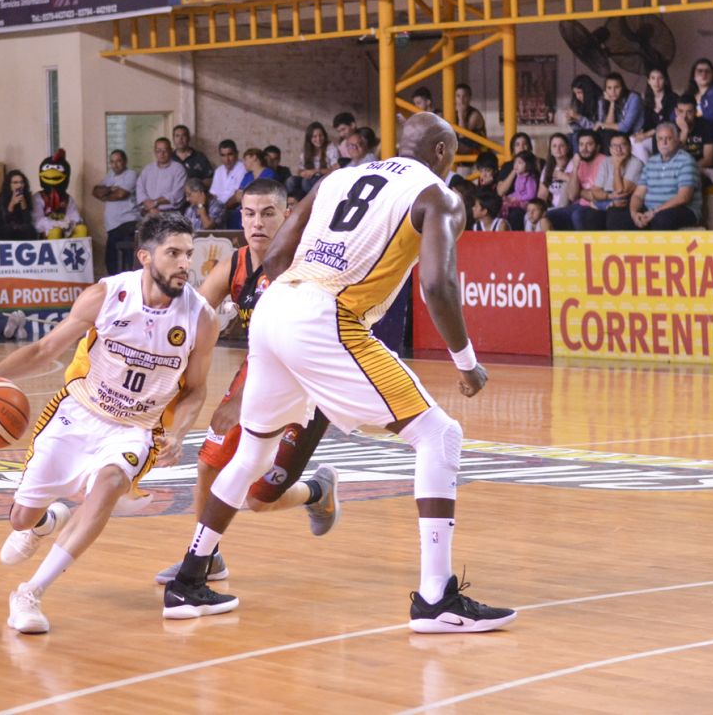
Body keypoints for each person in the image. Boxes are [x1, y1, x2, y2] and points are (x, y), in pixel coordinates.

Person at [161, 112, 516, 633]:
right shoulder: (438, 196)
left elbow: (275, 257)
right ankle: (436, 599)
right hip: (327, 315)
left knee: (253, 452)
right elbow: (438, 286)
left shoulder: (339, 177)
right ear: (442, 153)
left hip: (277, 304)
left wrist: (296, 310)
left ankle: (188, 581)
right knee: (439, 435)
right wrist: (467, 364)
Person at [0, 214, 219, 634]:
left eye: (188, 253)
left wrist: (179, 432)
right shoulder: (107, 295)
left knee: (110, 484)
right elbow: (44, 350)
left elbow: (196, 389)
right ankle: (44, 523)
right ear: (145, 256)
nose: (184, 263)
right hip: (78, 411)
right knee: (21, 518)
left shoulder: (200, 318)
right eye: (173, 253)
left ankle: (30, 593)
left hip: (136, 427)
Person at [154, 179, 338, 586]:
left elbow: (298, 346)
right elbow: (193, 314)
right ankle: (206, 557)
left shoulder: (303, 265)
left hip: (308, 381)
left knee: (258, 498)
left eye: (268, 214)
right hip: (261, 369)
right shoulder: (235, 264)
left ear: (287, 215)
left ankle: (317, 491)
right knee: (208, 464)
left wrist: (240, 400)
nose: (257, 223)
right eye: (250, 213)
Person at [626, 122, 702, 231]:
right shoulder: (651, 162)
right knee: (619, 217)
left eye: (668, 138)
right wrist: (634, 213)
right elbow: (638, 195)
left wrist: (654, 212)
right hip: (652, 211)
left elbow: (684, 197)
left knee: (661, 219)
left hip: (682, 210)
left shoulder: (686, 161)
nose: (664, 142)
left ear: (677, 140)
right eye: (660, 139)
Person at [580, 132, 643, 230]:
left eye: (622, 145)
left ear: (630, 147)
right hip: (607, 197)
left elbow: (621, 192)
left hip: (627, 201)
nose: (618, 150)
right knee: (590, 216)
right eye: (615, 146)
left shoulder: (636, 163)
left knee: (614, 215)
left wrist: (617, 167)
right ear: (610, 149)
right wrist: (609, 197)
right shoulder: (606, 161)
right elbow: (595, 191)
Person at [546, 129, 606, 231]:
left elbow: (596, 197)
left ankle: (583, 242)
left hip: (597, 206)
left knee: (577, 216)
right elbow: (572, 196)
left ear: (597, 147)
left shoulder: (604, 162)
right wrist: (575, 167)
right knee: (548, 216)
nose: (584, 149)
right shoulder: (580, 163)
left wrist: (580, 192)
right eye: (581, 144)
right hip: (581, 204)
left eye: (589, 144)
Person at [94, 149, 140, 275]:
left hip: (127, 224)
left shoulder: (130, 174)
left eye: (118, 161)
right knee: (111, 263)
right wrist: (110, 189)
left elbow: (121, 194)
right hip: (112, 227)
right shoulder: (110, 176)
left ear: (125, 161)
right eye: (112, 162)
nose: (115, 165)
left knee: (127, 264)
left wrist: (105, 195)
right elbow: (96, 192)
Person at [32, 149, 87, 239]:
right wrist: (58, 224)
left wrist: (69, 224)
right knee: (55, 231)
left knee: (82, 229)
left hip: (64, 232)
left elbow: (75, 217)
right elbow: (37, 222)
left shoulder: (67, 198)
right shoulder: (39, 197)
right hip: (45, 235)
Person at [632, 68, 677, 164]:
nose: (656, 82)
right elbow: (647, 123)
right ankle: (650, 167)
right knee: (633, 140)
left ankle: (652, 167)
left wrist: (646, 134)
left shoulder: (673, 98)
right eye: (653, 78)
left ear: (665, 80)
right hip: (652, 136)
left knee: (643, 142)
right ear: (648, 81)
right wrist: (641, 132)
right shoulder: (647, 99)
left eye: (660, 78)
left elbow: (668, 124)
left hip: (666, 136)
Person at [135, 137, 187, 218]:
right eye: (158, 151)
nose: (162, 154)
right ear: (154, 152)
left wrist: (156, 202)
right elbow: (140, 188)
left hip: (170, 213)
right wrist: (150, 207)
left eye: (165, 150)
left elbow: (177, 194)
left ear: (171, 150)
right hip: (148, 212)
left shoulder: (178, 169)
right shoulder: (148, 169)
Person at [673, 93, 713, 183]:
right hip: (679, 171)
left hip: (698, 168)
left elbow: (709, 159)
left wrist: (688, 169)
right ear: (676, 112)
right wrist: (684, 131)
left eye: (689, 112)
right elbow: (672, 158)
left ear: (696, 112)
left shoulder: (705, 125)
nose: (684, 116)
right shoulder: (671, 128)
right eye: (681, 111)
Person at [593, 72, 644, 151]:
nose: (613, 91)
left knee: (606, 134)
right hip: (615, 134)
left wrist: (602, 124)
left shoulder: (633, 98)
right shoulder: (603, 100)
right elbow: (608, 126)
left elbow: (625, 127)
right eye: (609, 88)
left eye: (616, 87)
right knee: (603, 134)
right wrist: (612, 103)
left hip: (633, 134)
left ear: (622, 87)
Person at [291, 121, 340, 199]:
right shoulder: (306, 150)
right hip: (309, 179)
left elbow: (336, 169)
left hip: (325, 178)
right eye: (314, 136)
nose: (318, 139)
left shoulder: (330, 147)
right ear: (309, 138)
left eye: (321, 135)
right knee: (291, 181)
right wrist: (303, 173)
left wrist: (316, 171)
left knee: (306, 183)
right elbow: (299, 170)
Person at [498, 150, 539, 229]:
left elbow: (531, 195)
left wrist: (517, 198)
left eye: (520, 163)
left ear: (528, 165)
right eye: (515, 162)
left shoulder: (530, 179)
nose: (516, 165)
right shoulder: (518, 176)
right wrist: (510, 197)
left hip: (526, 202)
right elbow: (517, 191)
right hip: (518, 200)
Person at [210, 139, 245, 224]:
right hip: (218, 211)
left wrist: (221, 209)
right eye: (223, 155)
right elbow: (213, 194)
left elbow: (237, 197)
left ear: (237, 154)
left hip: (235, 210)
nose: (227, 159)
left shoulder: (243, 168)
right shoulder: (219, 170)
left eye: (230, 154)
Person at [0, 170, 37, 241]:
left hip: (22, 226)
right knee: (7, 229)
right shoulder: (2, 196)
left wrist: (23, 203)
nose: (19, 185)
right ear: (9, 185)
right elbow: (3, 219)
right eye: (15, 182)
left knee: (30, 229)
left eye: (21, 182)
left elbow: (28, 220)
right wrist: (12, 204)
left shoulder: (27, 195)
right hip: (6, 226)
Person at [537, 133, 574, 212]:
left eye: (561, 146)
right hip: (552, 207)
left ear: (567, 148)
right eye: (554, 146)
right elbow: (542, 195)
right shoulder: (548, 168)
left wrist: (564, 177)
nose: (558, 149)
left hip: (570, 206)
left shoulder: (574, 164)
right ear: (550, 150)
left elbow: (580, 186)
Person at [686, 57, 713, 127]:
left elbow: (712, 115)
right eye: (700, 71)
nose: (704, 74)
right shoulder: (688, 94)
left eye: (707, 71)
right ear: (693, 76)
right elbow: (674, 115)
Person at [566, 74, 601, 148]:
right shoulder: (582, 104)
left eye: (579, 92)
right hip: (587, 134)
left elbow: (597, 127)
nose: (577, 97)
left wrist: (578, 117)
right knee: (568, 137)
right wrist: (572, 122)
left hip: (599, 134)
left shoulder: (600, 102)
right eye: (575, 93)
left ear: (588, 91)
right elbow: (579, 129)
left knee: (576, 136)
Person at [455, 83, 487, 153]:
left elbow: (462, 136)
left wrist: (460, 114)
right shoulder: (452, 113)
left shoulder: (475, 115)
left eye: (465, 96)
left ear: (469, 98)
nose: (461, 100)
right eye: (458, 96)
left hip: (478, 151)